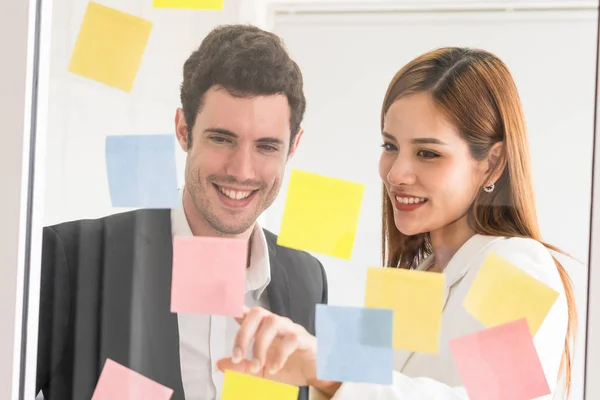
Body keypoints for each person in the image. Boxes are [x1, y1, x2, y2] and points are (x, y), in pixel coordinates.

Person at [216, 47, 576, 399]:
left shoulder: (515, 265)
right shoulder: (412, 276)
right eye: (390, 146)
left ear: (492, 163)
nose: (397, 173)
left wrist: (327, 368)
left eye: (428, 153)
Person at [35, 24, 328, 400]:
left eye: (267, 147)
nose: (242, 170)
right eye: (222, 138)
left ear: (293, 147)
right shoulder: (72, 257)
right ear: (183, 130)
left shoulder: (309, 279)